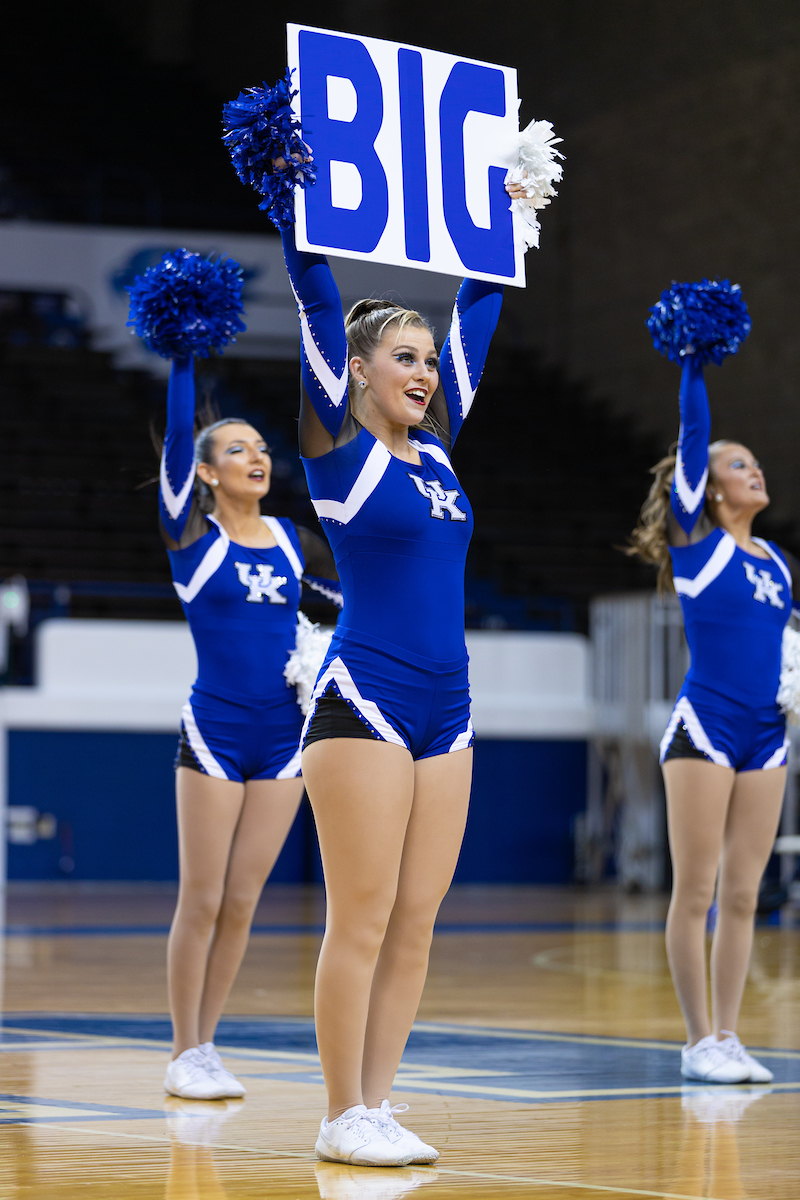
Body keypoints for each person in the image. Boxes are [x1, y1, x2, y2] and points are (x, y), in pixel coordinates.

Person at [274, 166, 528, 1165]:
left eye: (428, 359)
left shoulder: (441, 454)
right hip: (363, 701)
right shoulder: (334, 448)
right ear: (358, 368)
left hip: (449, 706)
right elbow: (310, 289)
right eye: (402, 357)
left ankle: (378, 1104)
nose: (423, 372)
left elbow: (481, 299)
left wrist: (503, 213)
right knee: (364, 916)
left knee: (417, 922)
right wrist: (294, 200)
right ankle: (340, 1113)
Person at [158, 355, 341, 1100]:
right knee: (201, 896)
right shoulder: (193, 544)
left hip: (284, 738)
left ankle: (211, 1044)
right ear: (205, 474)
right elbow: (176, 441)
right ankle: (183, 1049)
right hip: (215, 733)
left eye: (263, 448)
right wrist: (182, 362)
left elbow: (343, 612)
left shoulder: (296, 540)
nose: (257, 458)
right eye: (237, 449)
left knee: (243, 899)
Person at [628, 354, 799, 1084]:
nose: (753, 470)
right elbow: (693, 435)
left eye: (756, 462)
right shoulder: (697, 549)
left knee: (743, 892)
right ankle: (698, 1040)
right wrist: (693, 366)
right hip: (703, 731)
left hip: (767, 735)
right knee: (695, 889)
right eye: (739, 464)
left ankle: (729, 1036)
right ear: (709, 486)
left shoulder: (781, 563)